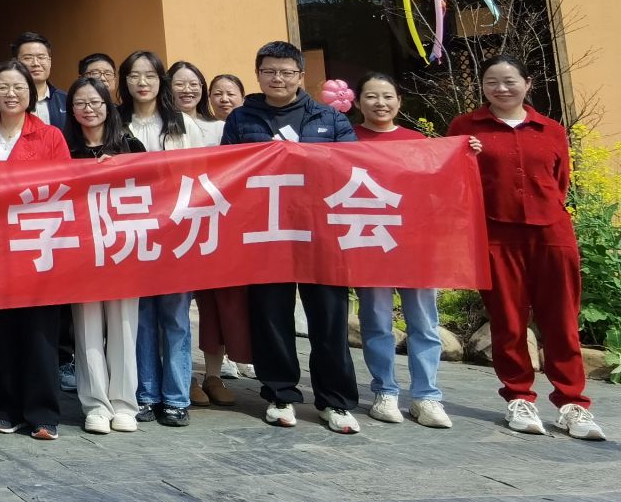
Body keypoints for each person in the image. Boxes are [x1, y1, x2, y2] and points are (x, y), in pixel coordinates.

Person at [450, 55, 603, 442]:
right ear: (482, 87)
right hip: (496, 235)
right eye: (491, 82)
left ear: (527, 83)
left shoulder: (551, 129)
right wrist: (466, 154)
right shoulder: (465, 128)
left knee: (561, 321)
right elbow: (454, 179)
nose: (501, 89)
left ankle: (573, 404)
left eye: (509, 81)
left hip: (551, 233)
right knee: (508, 321)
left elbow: (560, 181)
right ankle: (519, 397)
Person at [223, 40, 361, 434]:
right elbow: (226, 171)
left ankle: (335, 401)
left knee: (330, 320)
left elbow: (353, 168)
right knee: (271, 318)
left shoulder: (329, 118)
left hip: (322, 234)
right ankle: (280, 393)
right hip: (266, 233)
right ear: (258, 75)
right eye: (269, 71)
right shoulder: (242, 119)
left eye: (286, 72)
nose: (277, 78)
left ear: (300, 75)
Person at [352, 74, 450, 430]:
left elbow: (437, 188)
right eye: (371, 96)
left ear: (399, 102)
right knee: (376, 322)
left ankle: (426, 396)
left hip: (414, 245)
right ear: (357, 102)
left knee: (423, 323)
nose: (380, 103)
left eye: (387, 96)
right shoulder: (346, 140)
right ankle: (385, 392)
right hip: (370, 242)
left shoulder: (418, 142)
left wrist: (467, 153)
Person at [0, 59, 71, 440]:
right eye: (2, 86)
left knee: (40, 332)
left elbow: (66, 186)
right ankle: (5, 409)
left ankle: (43, 413)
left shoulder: (50, 136)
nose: (11, 93)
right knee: (2, 332)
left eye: (18, 87)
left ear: (30, 93)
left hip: (38, 244)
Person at [119, 51, 209, 428]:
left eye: (150, 76)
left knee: (175, 317)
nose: (142, 83)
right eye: (134, 76)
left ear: (161, 81)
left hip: (176, 232)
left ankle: (175, 397)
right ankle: (146, 393)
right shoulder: (117, 122)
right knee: (140, 317)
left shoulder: (183, 124)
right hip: (132, 233)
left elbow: (202, 179)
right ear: (124, 82)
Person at [65, 76, 146, 434]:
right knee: (87, 330)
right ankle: (96, 405)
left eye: (95, 102)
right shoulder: (64, 149)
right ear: (71, 110)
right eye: (80, 103)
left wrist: (122, 170)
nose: (89, 109)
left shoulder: (130, 144)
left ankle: (125, 404)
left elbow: (153, 190)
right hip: (80, 253)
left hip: (123, 250)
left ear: (108, 106)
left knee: (124, 327)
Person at [195, 70, 254, 403]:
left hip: (239, 227)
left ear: (243, 97)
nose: (224, 98)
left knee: (235, 302)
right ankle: (209, 373)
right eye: (217, 93)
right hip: (199, 225)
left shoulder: (251, 129)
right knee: (208, 306)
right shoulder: (198, 129)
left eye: (231, 93)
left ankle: (235, 362)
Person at [0, 33, 69, 129]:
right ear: (15, 62)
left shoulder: (65, 100)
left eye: (41, 57)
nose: (35, 63)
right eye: (28, 58)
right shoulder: (2, 102)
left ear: (50, 61)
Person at [167, 60, 223, 144]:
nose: (187, 90)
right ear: (167, 88)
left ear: (202, 88)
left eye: (193, 84)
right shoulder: (158, 127)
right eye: (179, 84)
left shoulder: (219, 127)